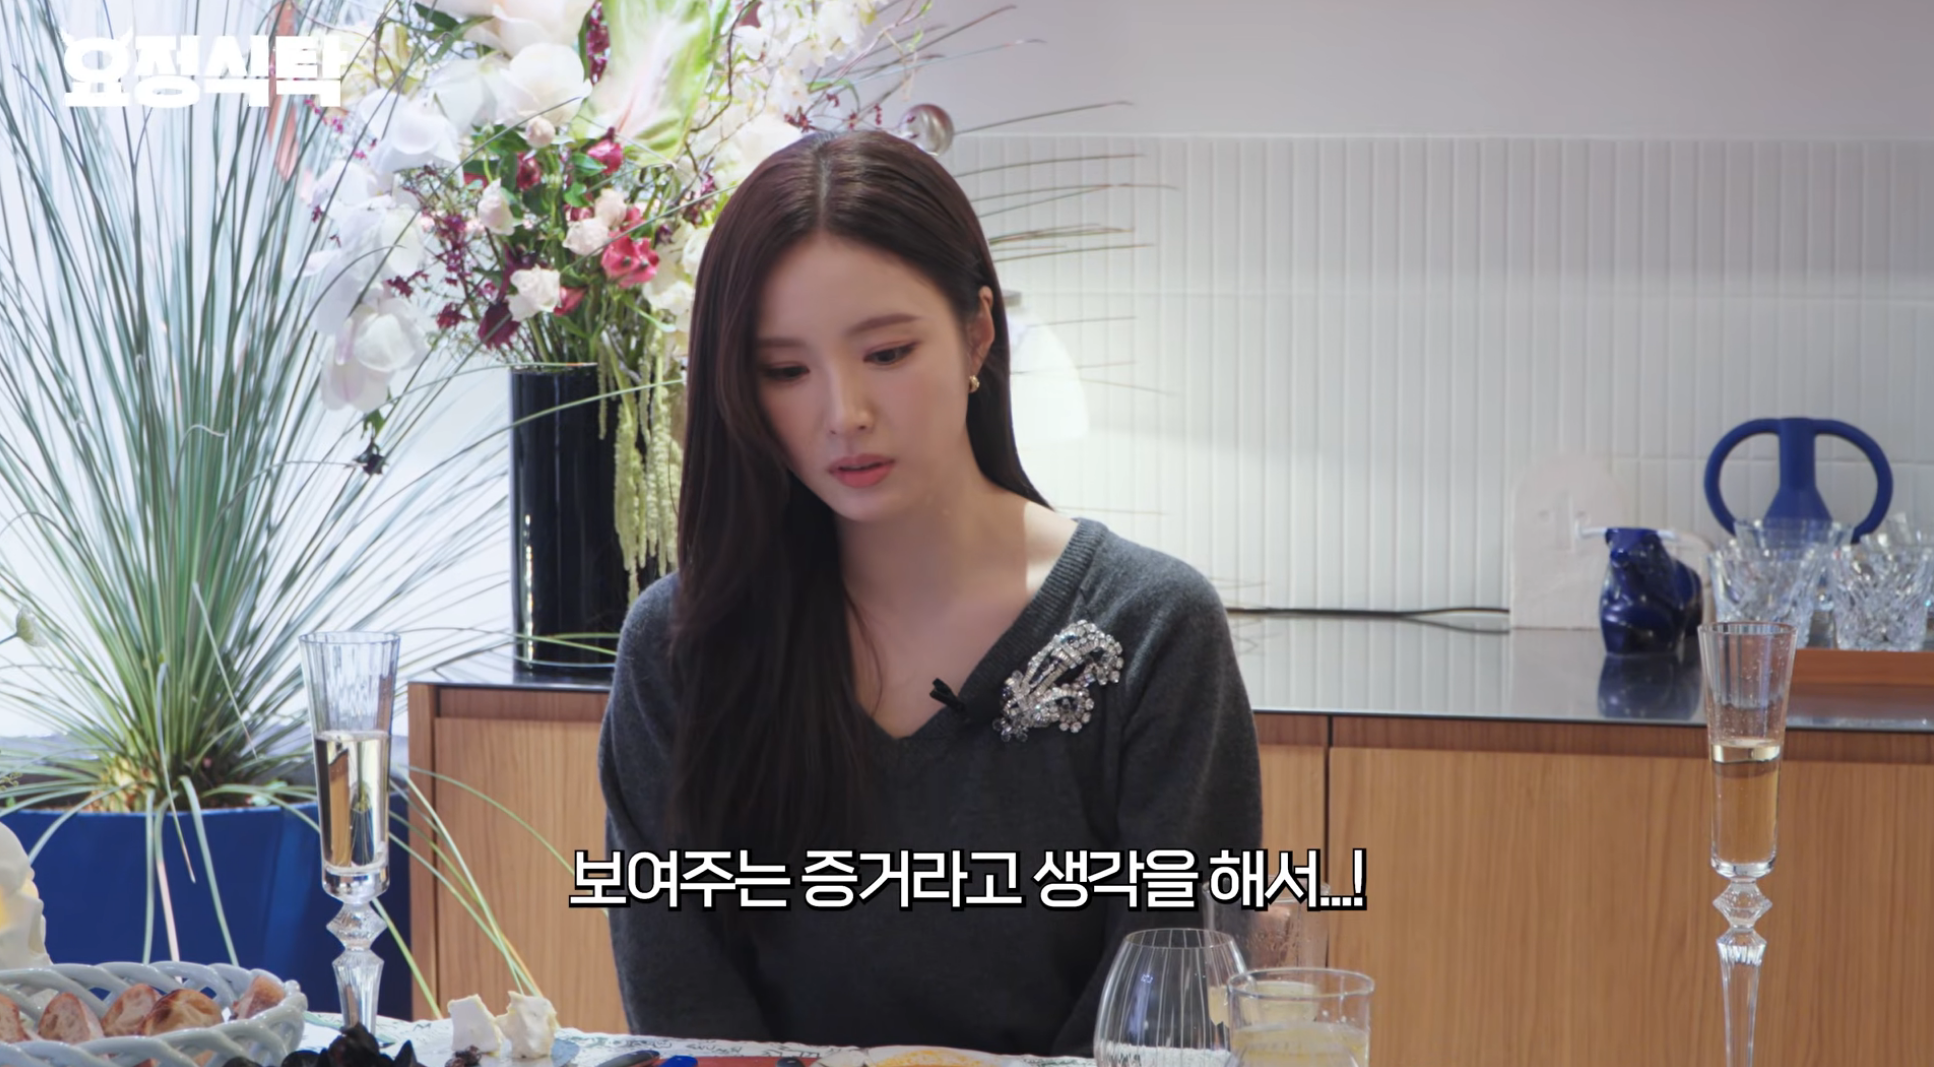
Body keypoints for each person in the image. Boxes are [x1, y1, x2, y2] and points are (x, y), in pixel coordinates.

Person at [598, 128, 1262, 1057]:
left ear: (977, 333)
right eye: (785, 371)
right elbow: (686, 1011)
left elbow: (1170, 1012)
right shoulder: (684, 643)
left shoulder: (1152, 629)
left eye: (887, 352)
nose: (844, 414)